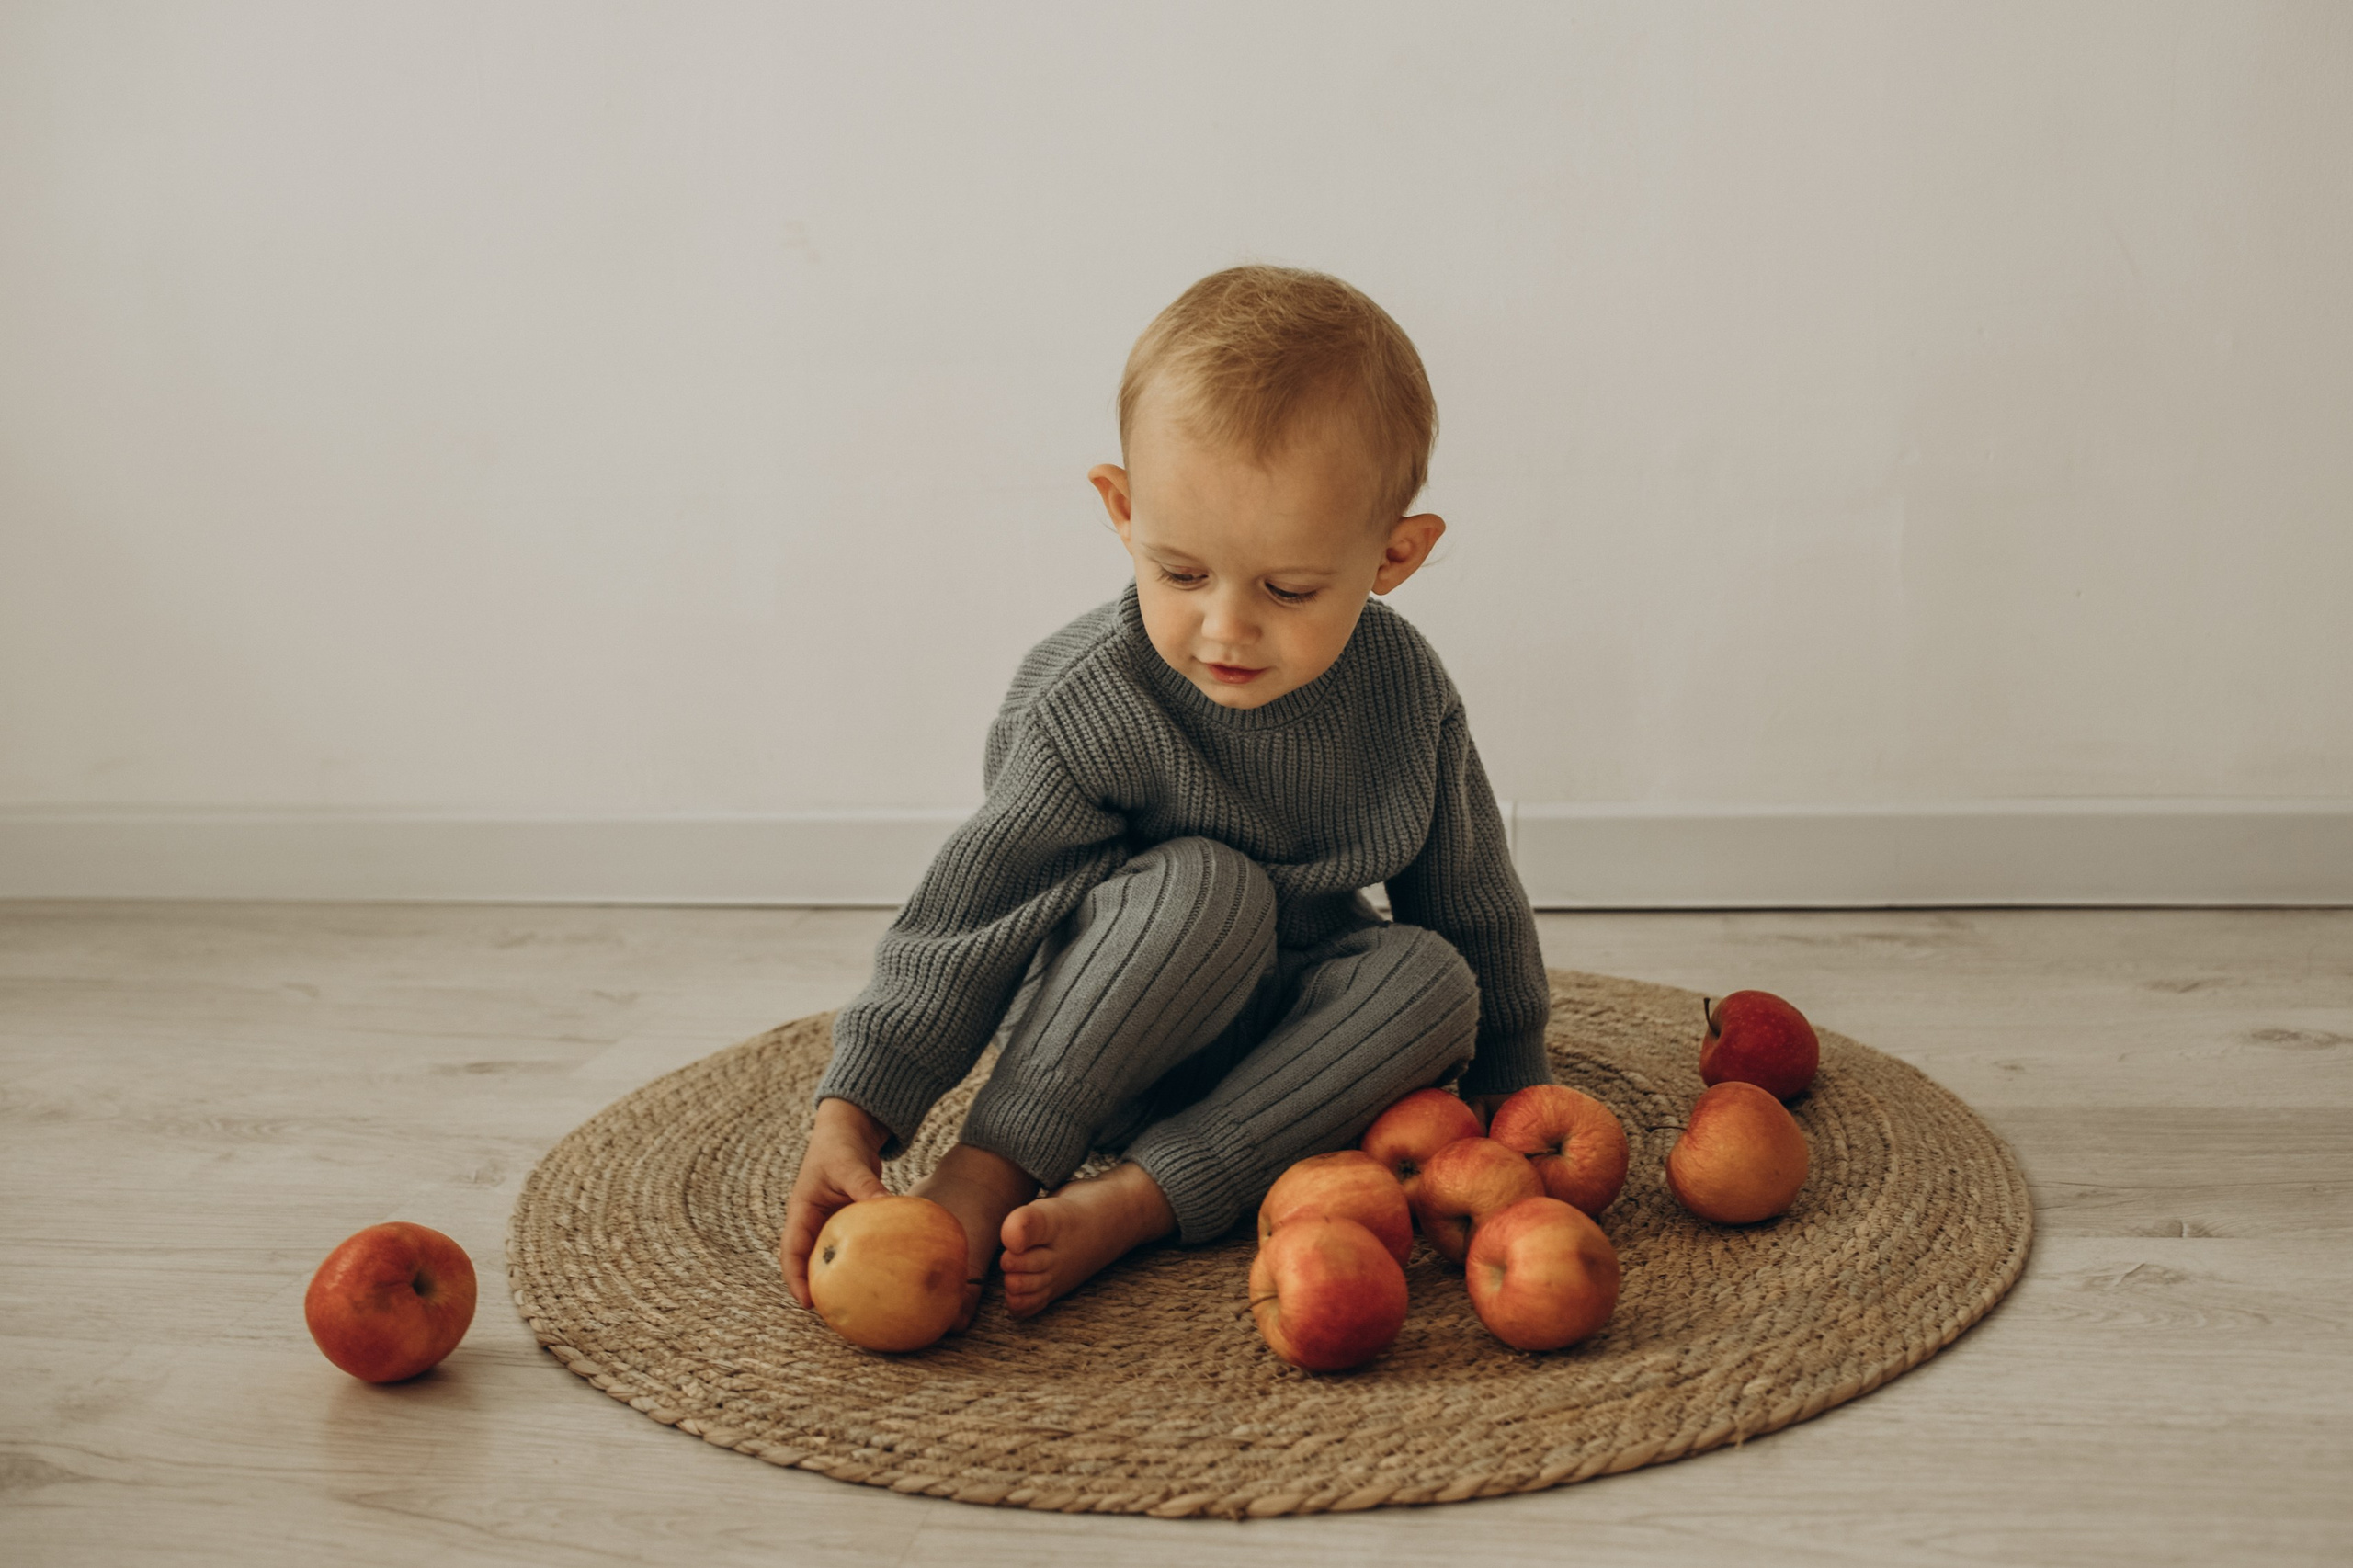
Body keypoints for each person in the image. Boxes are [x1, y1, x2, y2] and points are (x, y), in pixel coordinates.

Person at [780, 264, 1552, 1327]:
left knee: (1433, 977)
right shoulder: (1089, 702)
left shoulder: (1404, 693)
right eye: (1181, 573)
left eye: (1288, 588)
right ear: (1122, 509)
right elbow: (970, 919)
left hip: (1290, 1064)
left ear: (1394, 554)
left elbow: (1470, 893)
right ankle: (993, 1167)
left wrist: (1513, 1074)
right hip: (1103, 1033)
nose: (1225, 627)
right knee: (1206, 884)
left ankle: (1143, 1198)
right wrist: (855, 1109)